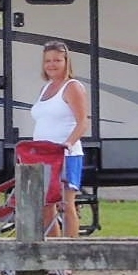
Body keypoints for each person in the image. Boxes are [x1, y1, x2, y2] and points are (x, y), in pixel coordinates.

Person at [27, 39, 90, 237]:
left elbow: (82, 122)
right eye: (48, 61)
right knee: (46, 206)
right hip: (42, 156)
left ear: (66, 62)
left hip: (66, 155)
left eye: (57, 60)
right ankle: (54, 254)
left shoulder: (72, 87)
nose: (52, 65)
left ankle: (69, 256)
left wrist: (69, 143)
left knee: (66, 204)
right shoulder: (45, 88)